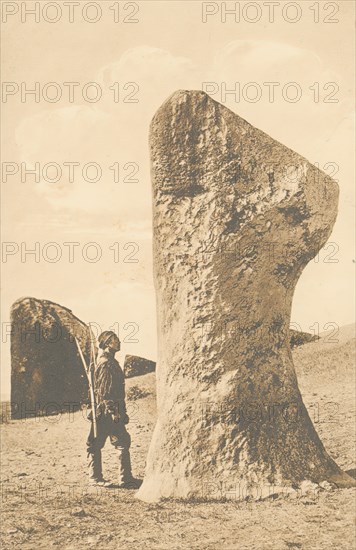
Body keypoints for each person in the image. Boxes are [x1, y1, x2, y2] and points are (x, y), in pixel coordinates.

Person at [86, 330, 141, 488]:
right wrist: (114, 412)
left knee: (122, 442)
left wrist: (121, 412)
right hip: (105, 412)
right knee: (95, 443)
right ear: (108, 344)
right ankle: (95, 478)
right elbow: (105, 392)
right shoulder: (106, 363)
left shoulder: (111, 362)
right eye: (115, 339)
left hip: (113, 410)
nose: (119, 341)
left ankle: (126, 478)